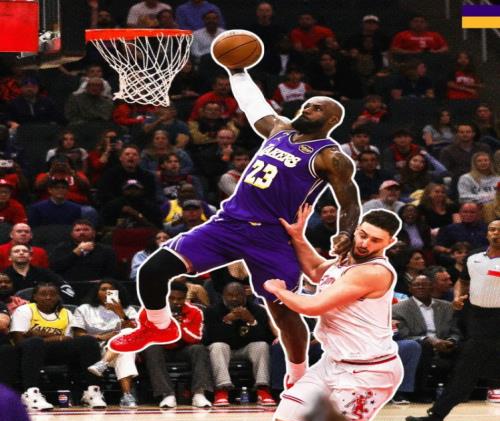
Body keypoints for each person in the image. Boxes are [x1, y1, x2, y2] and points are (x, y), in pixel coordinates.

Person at [109, 56, 361, 395]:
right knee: (153, 270)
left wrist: (345, 232)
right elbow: (254, 104)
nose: (308, 108)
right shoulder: (280, 130)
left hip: (272, 236)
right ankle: (158, 325)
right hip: (228, 223)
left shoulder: (330, 156)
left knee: (284, 311)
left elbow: (350, 201)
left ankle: (299, 375)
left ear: (331, 120)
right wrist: (237, 72)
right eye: (308, 104)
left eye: (317, 108)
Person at [264, 208, 403, 421]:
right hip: (332, 362)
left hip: (369, 371)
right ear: (356, 230)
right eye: (362, 235)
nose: (365, 243)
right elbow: (315, 270)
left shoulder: (373, 272)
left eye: (375, 240)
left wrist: (279, 291)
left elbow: (313, 307)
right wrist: (298, 236)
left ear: (390, 242)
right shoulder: (345, 261)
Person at [406, 220, 500, 421]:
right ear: (487, 234)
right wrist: (458, 297)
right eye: (492, 230)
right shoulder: (474, 257)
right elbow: (463, 282)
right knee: (468, 371)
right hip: (477, 319)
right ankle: (435, 419)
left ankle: (435, 418)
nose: (496, 233)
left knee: (467, 370)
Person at [10, 283, 106, 410]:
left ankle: (92, 392)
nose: (48, 297)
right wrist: (56, 337)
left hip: (57, 352)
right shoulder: (24, 310)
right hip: (29, 353)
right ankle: (31, 393)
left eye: (52, 294)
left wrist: (41, 335)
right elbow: (19, 341)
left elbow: (68, 340)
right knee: (35, 342)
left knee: (88, 341)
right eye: (43, 294)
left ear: (58, 297)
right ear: (35, 297)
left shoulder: (66, 313)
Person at [204, 282, 275, 406]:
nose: (234, 299)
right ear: (223, 296)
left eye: (238, 295)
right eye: (230, 295)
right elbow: (212, 338)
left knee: (261, 345)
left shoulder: (258, 310)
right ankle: (222, 391)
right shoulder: (212, 311)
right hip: (224, 350)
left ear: (245, 295)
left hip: (246, 349)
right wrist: (227, 320)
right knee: (218, 346)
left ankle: (262, 390)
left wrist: (251, 320)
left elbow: (265, 337)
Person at [143, 282, 212, 408]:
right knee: (151, 348)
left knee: (199, 349)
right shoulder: (152, 310)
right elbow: (147, 336)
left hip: (184, 349)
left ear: (185, 298)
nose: (175, 302)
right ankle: (167, 394)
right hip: (162, 349)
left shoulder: (195, 311)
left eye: (180, 299)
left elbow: (197, 338)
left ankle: (199, 393)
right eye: (172, 298)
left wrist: (180, 327)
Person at [392, 275, 461, 400]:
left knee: (467, 347)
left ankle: (461, 392)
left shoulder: (447, 306)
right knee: (424, 345)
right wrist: (429, 340)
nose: (421, 287)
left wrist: (451, 341)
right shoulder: (398, 309)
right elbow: (403, 335)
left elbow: (455, 330)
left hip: (444, 344)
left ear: (432, 287)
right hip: (422, 344)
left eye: (425, 284)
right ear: (410, 288)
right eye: (417, 285)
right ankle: (420, 392)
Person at [72, 280, 139, 408]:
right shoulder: (84, 309)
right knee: (125, 347)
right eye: (103, 289)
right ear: (96, 292)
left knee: (127, 336)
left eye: (111, 289)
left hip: (119, 348)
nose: (107, 292)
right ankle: (127, 396)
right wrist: (102, 337)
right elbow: (78, 334)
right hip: (93, 349)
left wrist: (120, 312)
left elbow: (136, 331)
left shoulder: (128, 310)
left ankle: (103, 364)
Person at [50, 219, 117, 282]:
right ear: (72, 234)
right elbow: (54, 268)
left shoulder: (107, 250)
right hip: (69, 286)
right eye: (77, 230)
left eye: (86, 229)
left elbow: (112, 274)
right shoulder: (61, 248)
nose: (81, 232)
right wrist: (76, 252)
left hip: (97, 286)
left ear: (94, 233)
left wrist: (103, 284)